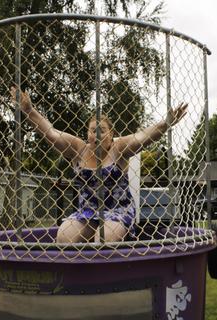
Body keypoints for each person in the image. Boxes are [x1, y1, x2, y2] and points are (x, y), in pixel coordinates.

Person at [10, 87, 188, 243]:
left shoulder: (119, 149)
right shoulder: (78, 149)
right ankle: (75, 276)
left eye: (102, 131)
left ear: (111, 134)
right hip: (87, 211)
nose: (97, 135)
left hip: (118, 210)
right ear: (87, 134)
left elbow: (143, 136)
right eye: (92, 131)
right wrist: (29, 111)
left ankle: (105, 276)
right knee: (64, 236)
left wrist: (165, 124)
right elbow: (51, 133)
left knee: (103, 238)